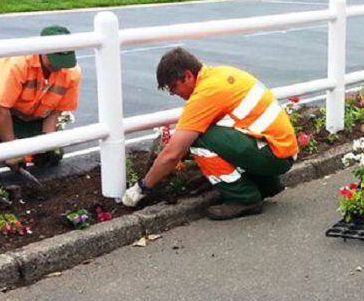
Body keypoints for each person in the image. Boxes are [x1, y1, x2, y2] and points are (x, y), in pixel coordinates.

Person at [122, 47, 299, 219]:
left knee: (199, 139)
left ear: (188, 76)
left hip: (274, 156)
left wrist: (142, 187)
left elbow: (172, 153)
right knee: (210, 136)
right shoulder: (220, 74)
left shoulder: (205, 94)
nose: (174, 93)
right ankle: (267, 185)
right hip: (281, 151)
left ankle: (245, 199)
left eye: (173, 87)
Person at [0, 25, 81, 185]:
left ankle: (0, 145)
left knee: (50, 156)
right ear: (43, 50)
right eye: (55, 61)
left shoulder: (71, 73)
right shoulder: (18, 63)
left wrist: (46, 144)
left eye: (63, 62)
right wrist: (11, 150)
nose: (58, 67)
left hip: (25, 117)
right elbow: (1, 107)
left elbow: (55, 112)